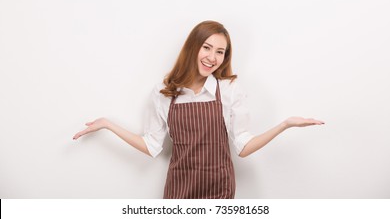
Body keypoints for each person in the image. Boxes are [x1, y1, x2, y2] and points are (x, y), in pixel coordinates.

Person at [73, 20, 324, 199]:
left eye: (220, 52)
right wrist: (108, 124)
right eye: (206, 47)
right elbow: (151, 146)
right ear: (193, 47)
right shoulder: (165, 92)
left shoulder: (228, 89)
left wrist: (285, 125)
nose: (212, 57)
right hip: (179, 191)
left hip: (219, 190)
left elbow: (244, 147)